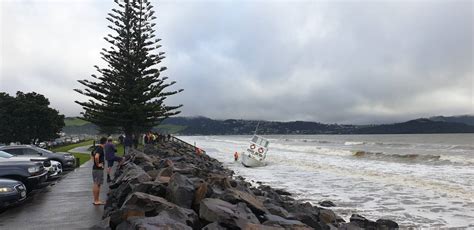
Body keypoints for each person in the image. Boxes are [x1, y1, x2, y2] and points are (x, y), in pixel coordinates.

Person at [91, 137, 107, 205]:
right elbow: (96, 157)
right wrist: (98, 164)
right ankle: (96, 201)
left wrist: (94, 162)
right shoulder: (100, 148)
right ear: (105, 142)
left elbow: (92, 155)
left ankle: (96, 200)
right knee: (97, 184)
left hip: (95, 169)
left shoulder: (96, 147)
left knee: (96, 184)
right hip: (98, 169)